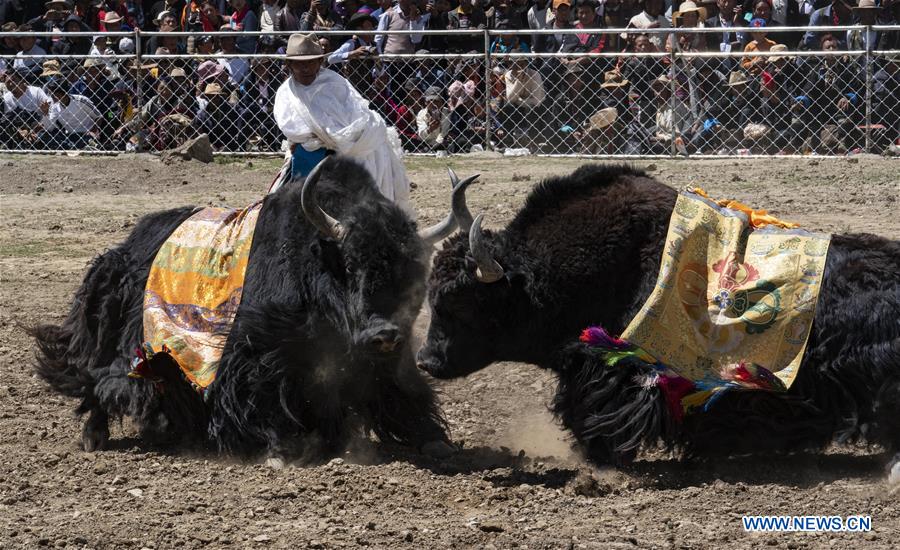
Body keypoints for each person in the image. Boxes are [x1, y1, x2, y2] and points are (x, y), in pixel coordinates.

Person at [273, 33, 410, 209]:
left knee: (371, 161)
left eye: (310, 62)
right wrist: (323, 140)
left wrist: (342, 139)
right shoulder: (286, 93)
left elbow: (359, 115)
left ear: (320, 62)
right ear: (290, 65)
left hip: (351, 149)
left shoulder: (335, 83)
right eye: (299, 63)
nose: (305, 68)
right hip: (309, 153)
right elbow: (294, 129)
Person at [38, 77, 101, 150]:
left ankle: (85, 145)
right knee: (43, 135)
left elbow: (98, 117)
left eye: (56, 94)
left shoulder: (80, 100)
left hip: (86, 133)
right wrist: (45, 112)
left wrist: (93, 131)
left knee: (85, 140)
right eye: (51, 94)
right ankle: (78, 147)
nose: (53, 97)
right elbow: (50, 128)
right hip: (70, 136)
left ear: (64, 92)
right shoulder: (54, 106)